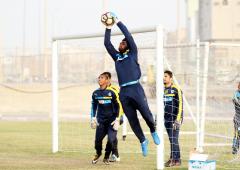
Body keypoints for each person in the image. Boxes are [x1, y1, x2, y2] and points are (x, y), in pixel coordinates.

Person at [103, 12, 160, 157]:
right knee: (132, 120)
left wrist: (118, 22)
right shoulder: (117, 57)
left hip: (136, 89)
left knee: (147, 114)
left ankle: (153, 130)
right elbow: (107, 44)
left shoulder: (133, 53)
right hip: (124, 92)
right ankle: (143, 140)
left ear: (127, 46)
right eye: (120, 43)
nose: (120, 44)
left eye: (123, 43)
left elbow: (128, 36)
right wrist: (108, 28)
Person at [91, 72, 120, 165]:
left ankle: (106, 157)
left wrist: (117, 119)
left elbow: (118, 105)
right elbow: (94, 105)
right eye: (99, 77)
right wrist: (93, 117)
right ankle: (98, 153)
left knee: (111, 140)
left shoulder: (112, 92)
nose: (99, 79)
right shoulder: (95, 93)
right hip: (101, 121)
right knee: (97, 141)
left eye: (102, 78)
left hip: (111, 121)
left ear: (107, 80)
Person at [163, 70, 183, 167]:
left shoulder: (176, 89)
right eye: (163, 76)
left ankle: (174, 159)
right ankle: (176, 160)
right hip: (166, 119)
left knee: (173, 139)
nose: (164, 78)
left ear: (170, 78)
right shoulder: (163, 90)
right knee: (172, 139)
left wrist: (178, 119)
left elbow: (180, 105)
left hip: (175, 119)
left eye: (165, 76)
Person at [104, 72, 124, 162]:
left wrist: (120, 116)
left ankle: (115, 155)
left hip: (116, 116)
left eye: (105, 78)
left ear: (109, 79)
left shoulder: (114, 89)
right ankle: (114, 154)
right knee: (111, 136)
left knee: (111, 136)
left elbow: (120, 102)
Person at [232, 82, 240, 154]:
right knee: (237, 133)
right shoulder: (236, 94)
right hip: (238, 119)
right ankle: (235, 148)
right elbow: (235, 101)